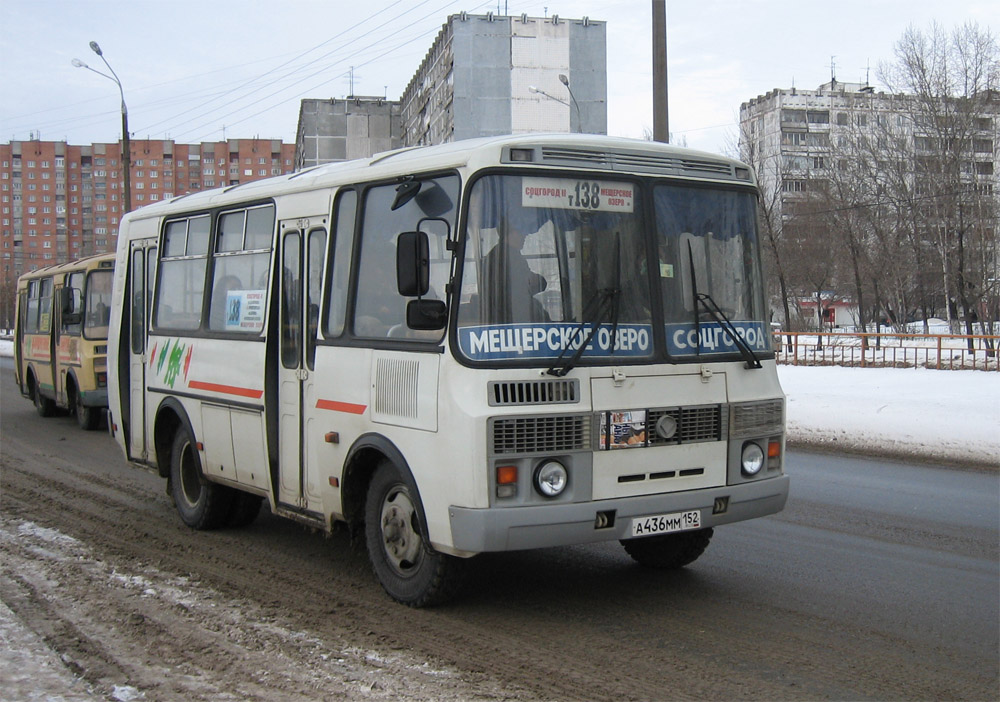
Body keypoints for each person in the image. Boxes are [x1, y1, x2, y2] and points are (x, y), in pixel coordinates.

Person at [480, 217, 549, 324]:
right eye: (521, 231)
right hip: (511, 320)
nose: (525, 235)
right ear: (509, 233)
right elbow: (517, 294)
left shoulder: (504, 254)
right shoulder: (507, 258)